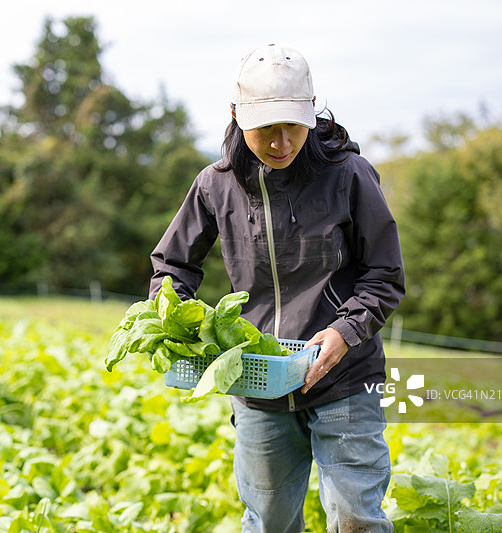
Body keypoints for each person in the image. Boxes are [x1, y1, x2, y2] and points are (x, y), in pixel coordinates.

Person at [148, 44, 406, 532]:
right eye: (266, 127)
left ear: (311, 114)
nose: (282, 141)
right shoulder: (215, 185)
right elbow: (172, 265)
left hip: (344, 379)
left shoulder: (348, 175)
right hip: (258, 383)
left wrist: (346, 332)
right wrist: (177, 316)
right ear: (236, 117)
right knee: (268, 521)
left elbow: (384, 274)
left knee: (357, 519)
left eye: (293, 124)